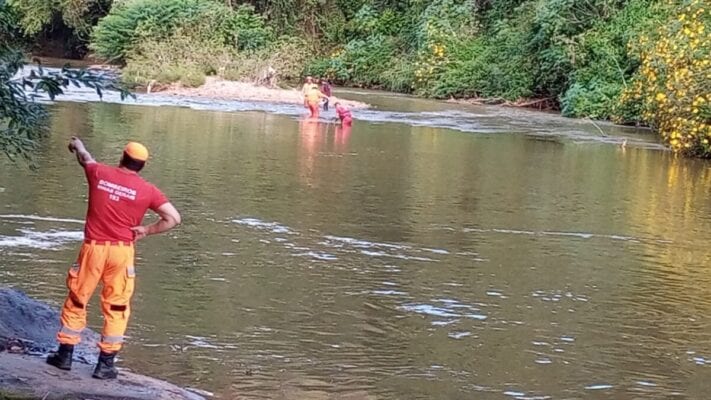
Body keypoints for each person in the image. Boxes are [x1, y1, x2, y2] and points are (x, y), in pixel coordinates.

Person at [46, 137, 181, 380]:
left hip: (93, 249)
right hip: (122, 251)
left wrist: (78, 145)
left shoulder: (99, 173)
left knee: (78, 298)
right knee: (117, 305)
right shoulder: (148, 190)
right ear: (142, 165)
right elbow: (173, 218)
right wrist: (147, 230)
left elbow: (85, 159)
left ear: (122, 158)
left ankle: (64, 356)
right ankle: (105, 365)